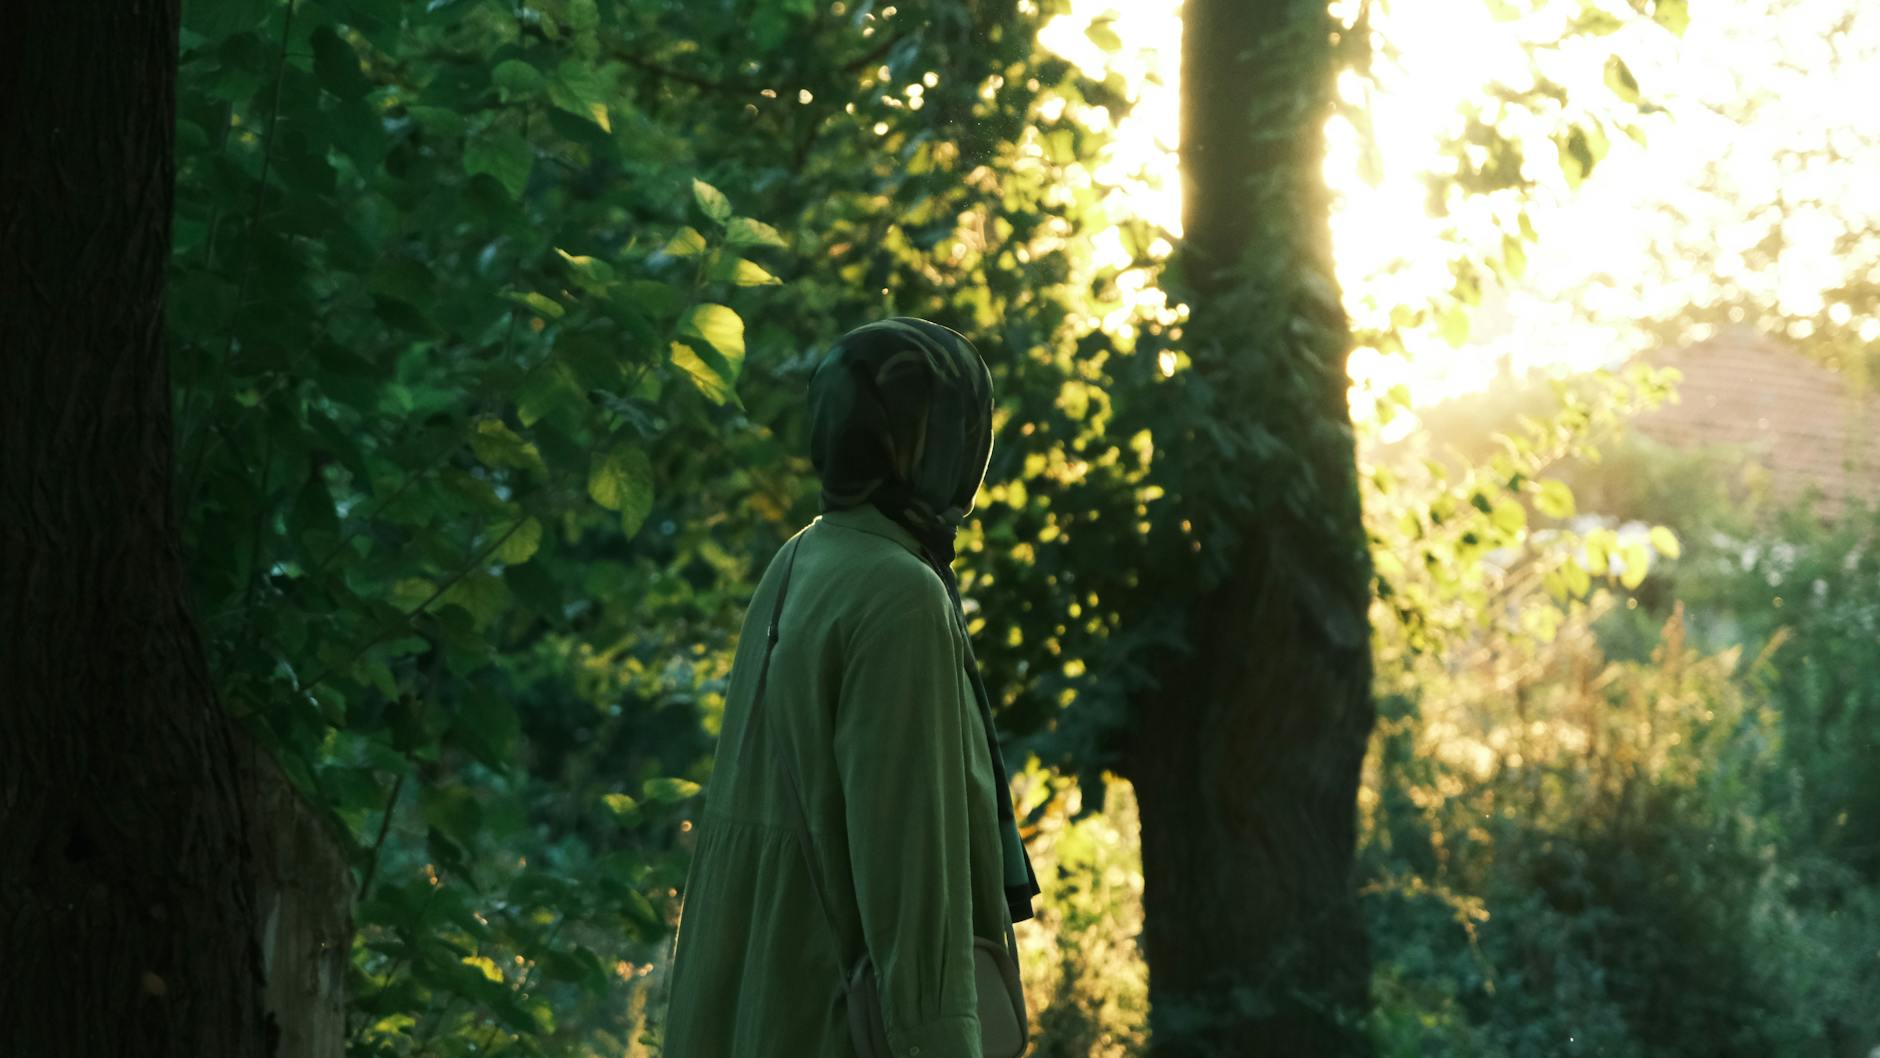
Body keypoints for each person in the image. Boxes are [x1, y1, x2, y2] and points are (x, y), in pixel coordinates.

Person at [659, 317, 1041, 1057]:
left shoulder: (801, 560)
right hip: (824, 1020)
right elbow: (911, 872)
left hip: (750, 1007)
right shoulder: (899, 595)